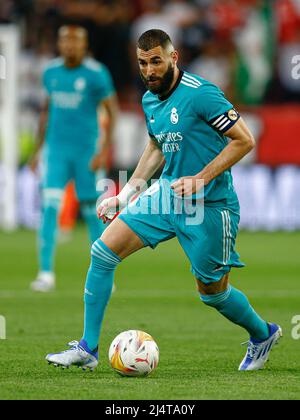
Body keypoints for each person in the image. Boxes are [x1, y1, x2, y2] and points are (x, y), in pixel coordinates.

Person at [46, 29, 282, 371]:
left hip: (210, 208)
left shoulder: (202, 95)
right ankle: (88, 348)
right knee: (102, 251)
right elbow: (156, 146)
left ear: (173, 58)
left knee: (213, 293)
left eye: (156, 61)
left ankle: (263, 334)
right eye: (143, 63)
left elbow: (244, 140)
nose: (149, 70)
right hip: (166, 197)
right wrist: (125, 194)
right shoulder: (149, 99)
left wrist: (201, 178)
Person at [30, 25, 118, 292]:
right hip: (56, 151)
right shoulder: (51, 72)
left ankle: (104, 275)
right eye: (65, 41)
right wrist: (37, 149)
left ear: (84, 44)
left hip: (85, 153)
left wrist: (103, 150)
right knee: (49, 208)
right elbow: (46, 111)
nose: (69, 46)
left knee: (94, 213)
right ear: (59, 44)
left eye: (75, 41)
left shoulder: (96, 74)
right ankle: (45, 273)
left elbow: (112, 112)